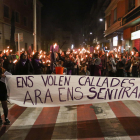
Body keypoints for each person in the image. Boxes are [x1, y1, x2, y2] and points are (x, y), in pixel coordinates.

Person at [0, 60, 10, 125]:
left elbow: (10, 76)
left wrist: (6, 76)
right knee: (4, 105)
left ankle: (6, 118)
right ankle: (0, 119)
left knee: (5, 105)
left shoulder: (4, 70)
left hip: (3, 89)